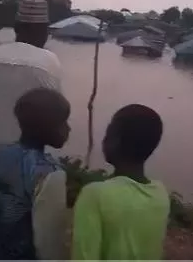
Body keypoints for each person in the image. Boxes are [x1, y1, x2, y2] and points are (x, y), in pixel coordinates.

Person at [72, 104, 170, 260]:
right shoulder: (161, 194)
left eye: (108, 132)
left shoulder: (95, 195)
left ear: (115, 140)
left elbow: (84, 256)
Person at [0, 88, 71, 259]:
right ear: (48, 125)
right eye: (63, 122)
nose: (68, 129)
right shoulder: (50, 172)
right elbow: (49, 241)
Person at [0, 0, 61, 144]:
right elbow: (57, 117)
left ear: (16, 27)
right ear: (45, 30)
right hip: (24, 158)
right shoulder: (49, 61)